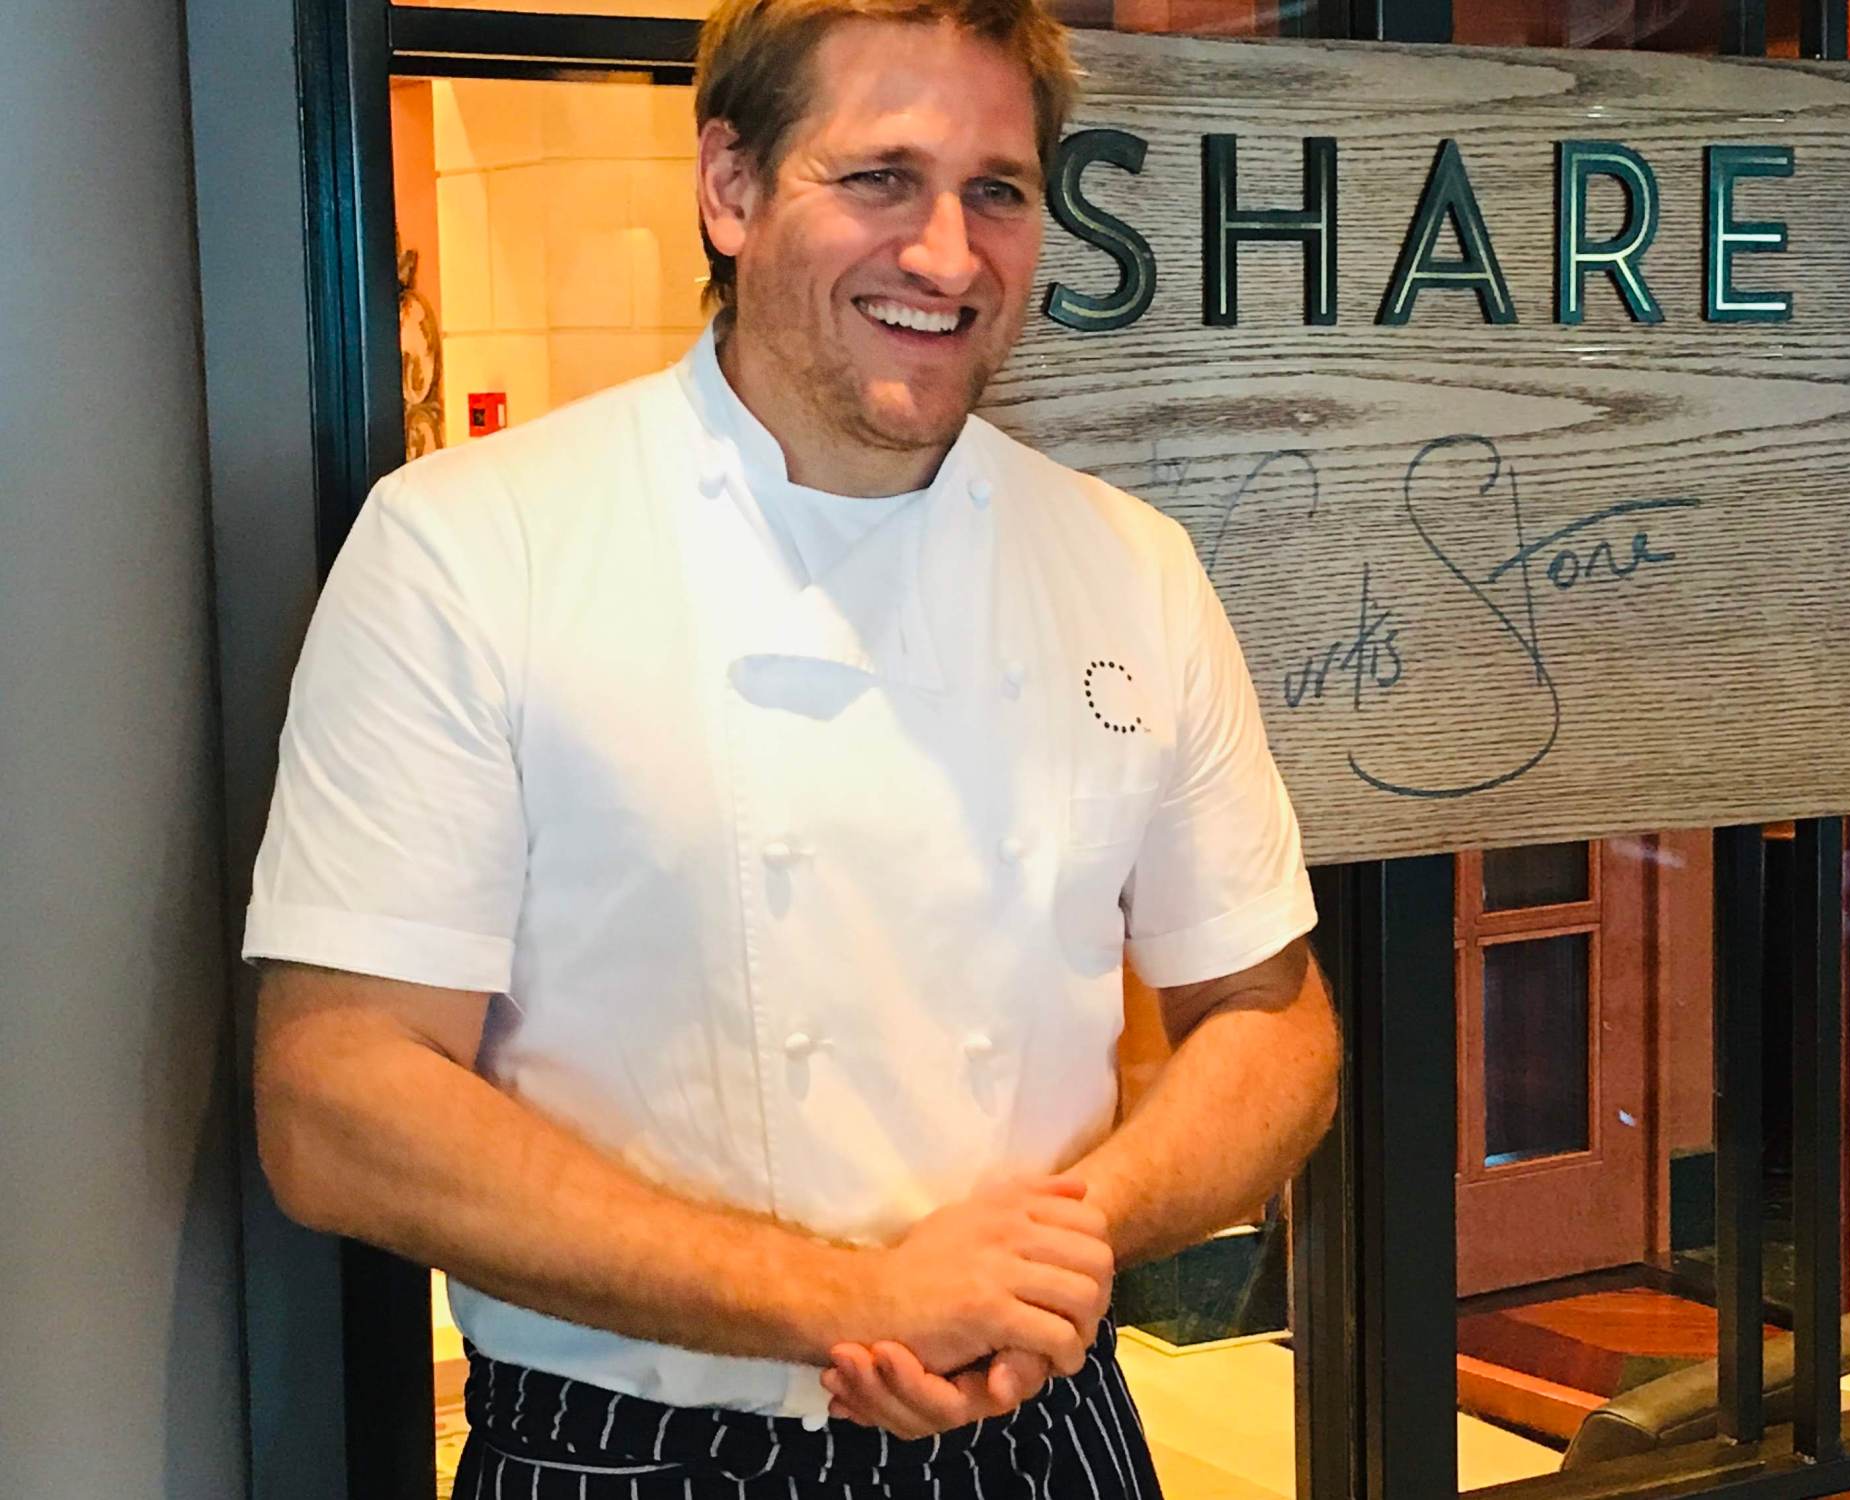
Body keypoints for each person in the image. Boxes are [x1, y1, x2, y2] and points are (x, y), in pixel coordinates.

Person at [245, 0, 1340, 1491]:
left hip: (1048, 1430)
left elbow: (1275, 1024)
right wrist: (849, 1299)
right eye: (880, 177)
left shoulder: (1128, 566)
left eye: (998, 191)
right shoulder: (473, 548)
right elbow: (335, 1097)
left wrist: (1056, 1250)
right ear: (731, 187)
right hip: (631, 1459)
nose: (947, 254)